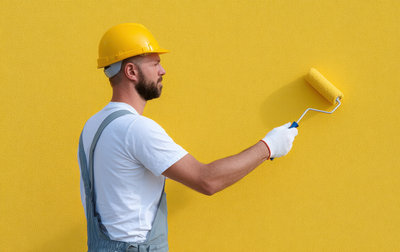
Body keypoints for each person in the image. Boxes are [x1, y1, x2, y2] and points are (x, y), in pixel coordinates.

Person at [77, 23, 298, 252]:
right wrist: (269, 146)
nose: (162, 71)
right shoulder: (135, 129)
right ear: (131, 71)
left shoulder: (92, 127)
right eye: (155, 64)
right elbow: (206, 180)